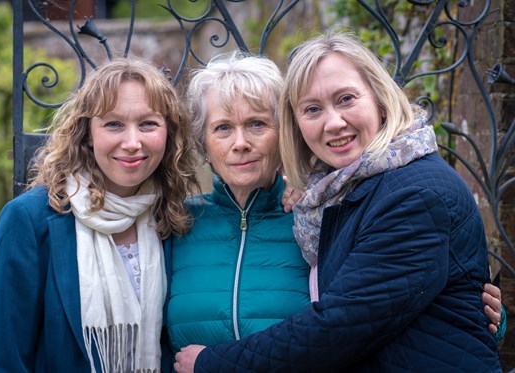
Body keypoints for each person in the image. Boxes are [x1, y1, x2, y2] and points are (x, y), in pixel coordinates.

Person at [173, 30, 504, 372]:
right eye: (223, 128)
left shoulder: (373, 201)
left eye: (257, 123)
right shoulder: (319, 208)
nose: (334, 122)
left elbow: (343, 322)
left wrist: (215, 363)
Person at [0, 57, 200, 372]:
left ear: (170, 134)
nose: (132, 143)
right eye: (113, 124)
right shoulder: (28, 221)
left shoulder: (178, 217)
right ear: (87, 133)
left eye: (148, 123)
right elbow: (4, 360)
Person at [166, 52, 311, 355]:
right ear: (203, 143)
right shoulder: (177, 222)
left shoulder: (313, 218)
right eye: (223, 128)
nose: (241, 142)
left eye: (257, 124)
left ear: (283, 134)